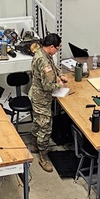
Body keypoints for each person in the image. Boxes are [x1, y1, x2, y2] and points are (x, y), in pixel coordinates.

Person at [29, 34, 66, 172]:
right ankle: (43, 157)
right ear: (51, 47)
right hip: (42, 98)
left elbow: (53, 66)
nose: (57, 51)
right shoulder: (43, 62)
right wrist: (59, 85)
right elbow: (47, 86)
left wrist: (59, 74)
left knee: (38, 121)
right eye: (57, 48)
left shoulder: (41, 52)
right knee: (45, 127)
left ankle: (34, 144)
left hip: (37, 95)